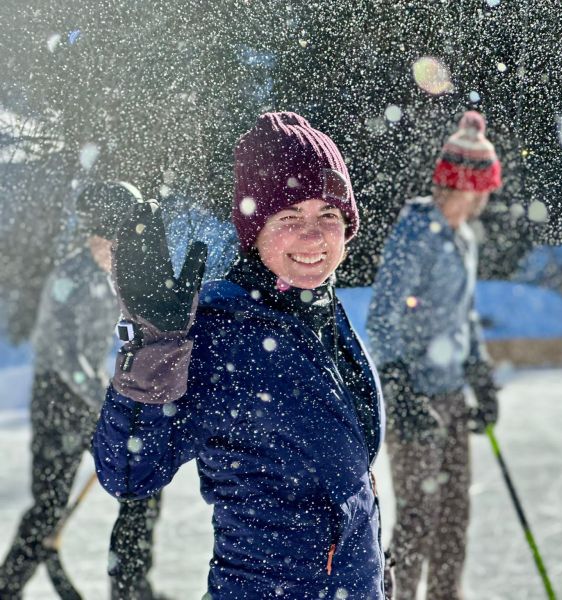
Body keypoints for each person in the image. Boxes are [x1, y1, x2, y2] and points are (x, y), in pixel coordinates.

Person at [92, 112, 388, 599]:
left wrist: (375, 572)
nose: (314, 237)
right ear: (255, 231)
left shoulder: (324, 311)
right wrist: (153, 349)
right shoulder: (221, 328)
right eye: (290, 218)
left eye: (328, 216)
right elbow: (128, 471)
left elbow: (347, 482)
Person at [0, 182, 166, 600]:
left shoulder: (122, 275)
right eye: (106, 240)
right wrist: (108, 399)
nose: (112, 250)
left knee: (142, 482)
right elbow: (64, 356)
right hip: (57, 398)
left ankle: (129, 584)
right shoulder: (68, 280)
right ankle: (7, 586)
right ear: (92, 236)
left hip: (93, 396)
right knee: (50, 505)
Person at [365, 110, 503, 600]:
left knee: (453, 514)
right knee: (417, 517)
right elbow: (383, 315)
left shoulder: (463, 240)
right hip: (415, 399)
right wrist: (398, 388)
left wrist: (480, 375)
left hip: (450, 394)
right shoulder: (416, 231)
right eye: (482, 186)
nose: (486, 197)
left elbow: (464, 316)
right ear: (466, 185)